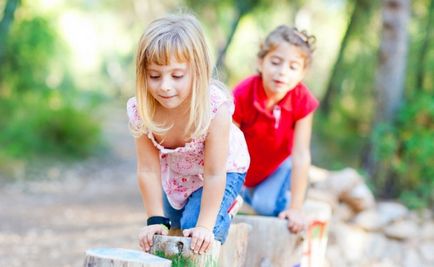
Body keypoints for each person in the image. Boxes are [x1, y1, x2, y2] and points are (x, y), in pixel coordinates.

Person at [127, 13, 249, 255]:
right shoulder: (142, 110)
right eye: (154, 76)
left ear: (197, 71)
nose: (165, 86)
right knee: (169, 231)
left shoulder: (215, 108)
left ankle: (224, 212)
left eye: (177, 76)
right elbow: (148, 169)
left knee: (194, 231)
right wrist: (154, 220)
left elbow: (214, 173)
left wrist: (205, 226)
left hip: (223, 171)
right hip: (178, 175)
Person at [232, 25, 319, 233]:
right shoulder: (243, 94)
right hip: (243, 170)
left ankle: (289, 197)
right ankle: (252, 193)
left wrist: (295, 209)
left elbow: (301, 155)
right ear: (261, 62)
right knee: (232, 204)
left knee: (265, 205)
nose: (282, 72)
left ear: (302, 73)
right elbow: (227, 148)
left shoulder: (302, 101)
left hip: (278, 167)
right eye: (276, 62)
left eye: (293, 67)